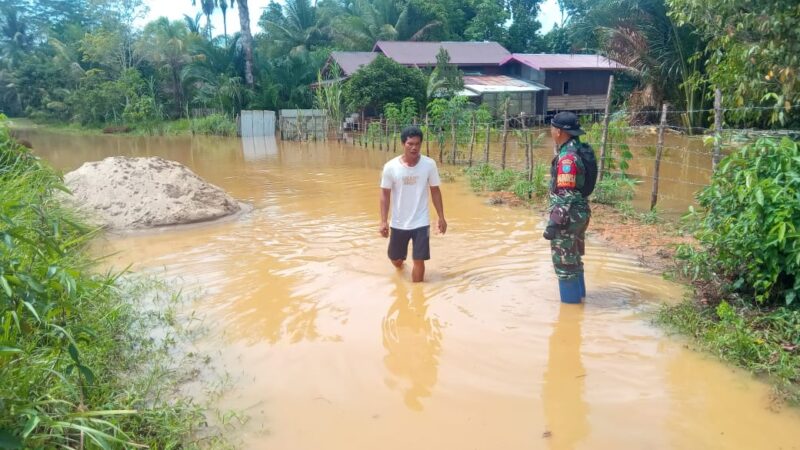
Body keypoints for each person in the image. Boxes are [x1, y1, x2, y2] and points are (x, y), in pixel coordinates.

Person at [379, 126, 447, 282]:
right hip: (398, 221)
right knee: (396, 259)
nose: (414, 147)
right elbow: (384, 194)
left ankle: (418, 297)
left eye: (417, 144)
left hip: (421, 221)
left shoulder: (429, 165)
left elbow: (435, 191)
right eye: (410, 144)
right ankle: (401, 267)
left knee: (419, 259)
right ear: (403, 144)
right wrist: (383, 221)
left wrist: (441, 217)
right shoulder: (391, 167)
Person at [543, 112, 592, 303]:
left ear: (559, 132)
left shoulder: (567, 158)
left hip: (568, 216)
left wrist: (553, 223)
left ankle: (571, 311)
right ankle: (580, 302)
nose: (551, 131)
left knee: (564, 266)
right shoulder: (577, 149)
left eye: (553, 128)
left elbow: (565, 193)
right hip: (579, 213)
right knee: (574, 261)